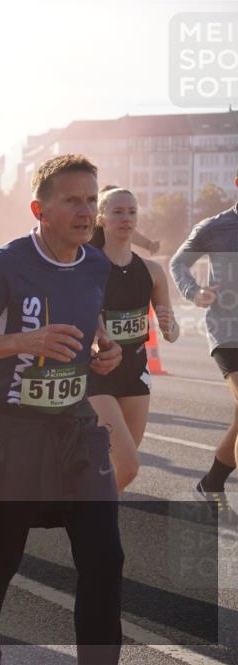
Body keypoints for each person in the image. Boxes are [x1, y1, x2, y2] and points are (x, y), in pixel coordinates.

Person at [0, 154, 124, 665]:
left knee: (105, 557)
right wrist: (28, 339)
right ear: (39, 209)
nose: (86, 211)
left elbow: (92, 324)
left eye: (92, 200)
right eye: (72, 201)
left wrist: (103, 350)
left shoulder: (95, 262)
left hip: (76, 428)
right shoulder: (7, 262)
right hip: (11, 429)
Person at [87, 188, 179, 493]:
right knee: (128, 465)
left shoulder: (151, 271)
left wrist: (169, 325)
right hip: (96, 374)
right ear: (101, 218)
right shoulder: (87, 265)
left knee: (119, 471)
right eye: (117, 212)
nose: (126, 218)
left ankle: (91, 525)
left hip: (135, 375)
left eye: (131, 212)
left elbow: (172, 332)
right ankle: (93, 529)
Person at [170, 167, 238, 506]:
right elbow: (178, 263)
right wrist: (194, 292)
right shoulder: (215, 227)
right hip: (228, 331)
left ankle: (210, 485)